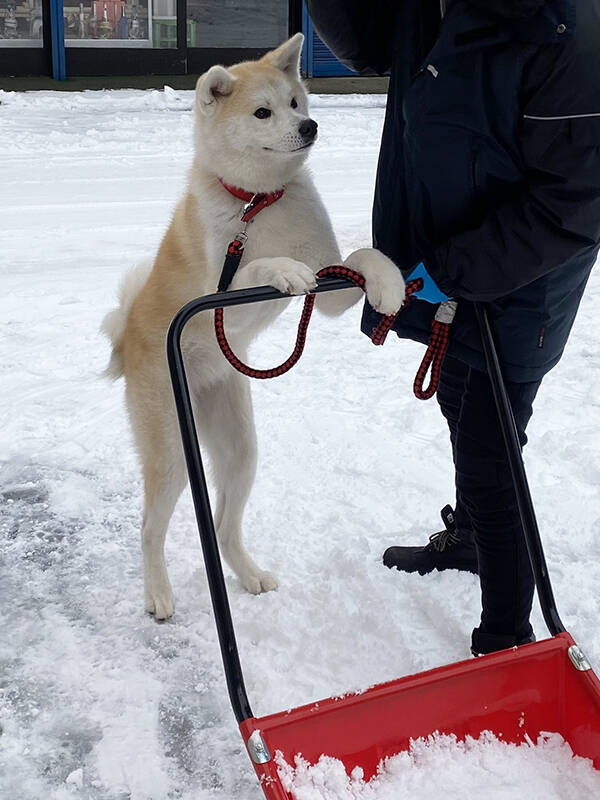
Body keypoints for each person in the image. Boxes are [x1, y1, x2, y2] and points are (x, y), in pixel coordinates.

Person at [306, 0, 600, 655]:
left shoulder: (570, 27)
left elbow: (575, 203)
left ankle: (506, 641)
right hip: (446, 253)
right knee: (456, 393)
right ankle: (470, 537)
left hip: (523, 280)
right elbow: (370, 46)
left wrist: (450, 270)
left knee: (491, 452)